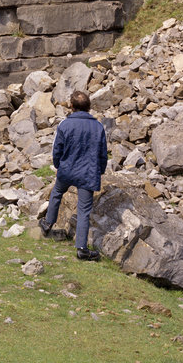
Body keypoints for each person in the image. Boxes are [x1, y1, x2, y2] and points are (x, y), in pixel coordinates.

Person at [39, 89, 108, 261]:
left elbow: (57, 149)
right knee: (84, 210)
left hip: (67, 170)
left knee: (56, 193)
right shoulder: (98, 126)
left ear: (71, 106)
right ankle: (82, 249)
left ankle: (48, 224)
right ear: (89, 106)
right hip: (88, 173)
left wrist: (58, 165)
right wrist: (100, 170)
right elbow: (103, 154)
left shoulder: (64, 125)